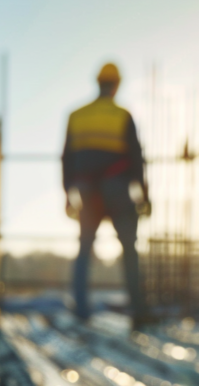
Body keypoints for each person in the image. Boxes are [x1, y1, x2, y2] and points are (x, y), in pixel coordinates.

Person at [62, 62, 152, 328]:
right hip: (117, 187)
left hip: (87, 190)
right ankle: (138, 309)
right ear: (116, 85)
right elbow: (136, 158)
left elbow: (66, 158)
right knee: (129, 248)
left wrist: (68, 193)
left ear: (98, 82)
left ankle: (81, 309)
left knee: (85, 247)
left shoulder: (77, 115)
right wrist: (144, 195)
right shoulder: (122, 115)